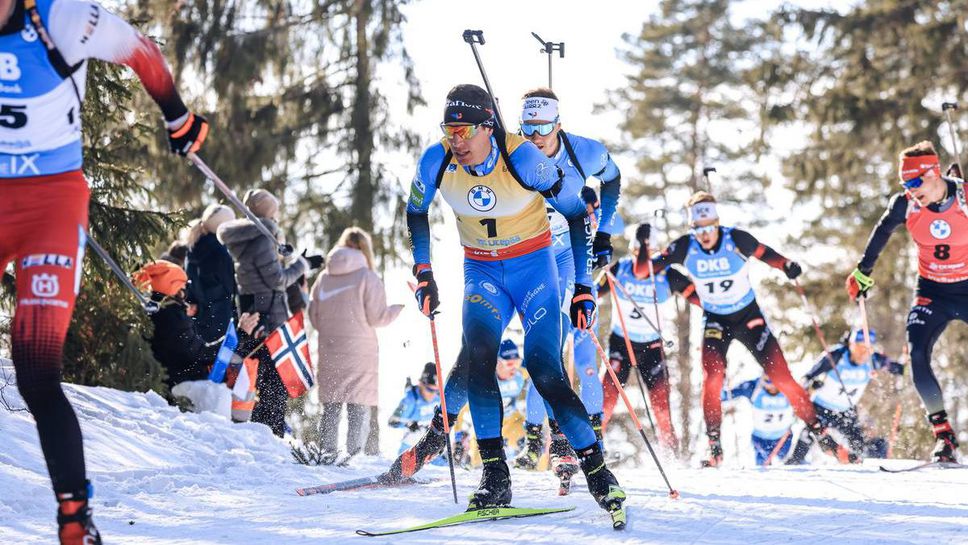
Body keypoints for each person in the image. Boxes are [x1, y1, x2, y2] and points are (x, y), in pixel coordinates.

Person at [0, 0, 209, 540]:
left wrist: (177, 115)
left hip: (51, 204)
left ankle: (75, 519)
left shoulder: (63, 19)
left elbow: (140, 51)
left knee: (36, 372)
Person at [402, 83, 624, 516]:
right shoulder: (437, 158)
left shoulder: (522, 157)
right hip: (482, 271)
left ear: (489, 126)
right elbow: (416, 210)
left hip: (534, 269)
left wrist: (582, 286)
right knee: (479, 358)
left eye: (465, 131)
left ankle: (599, 473)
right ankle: (494, 477)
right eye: (450, 130)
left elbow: (577, 213)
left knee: (543, 367)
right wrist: (423, 269)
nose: (457, 140)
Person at [645, 191, 830, 467]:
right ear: (691, 228)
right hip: (716, 319)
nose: (705, 235)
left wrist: (786, 266)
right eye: (698, 229)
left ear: (717, 223)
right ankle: (714, 446)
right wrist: (644, 266)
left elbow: (765, 253)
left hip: (748, 316)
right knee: (712, 379)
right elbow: (650, 267)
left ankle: (821, 434)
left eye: (709, 228)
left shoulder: (736, 239)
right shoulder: (685, 247)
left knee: (781, 378)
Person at [512, 88, 623, 479]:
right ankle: (536, 439)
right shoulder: (513, 153)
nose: (535, 136)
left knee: (582, 356)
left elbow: (614, 179)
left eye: (542, 127)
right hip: (531, 258)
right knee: (544, 349)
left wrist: (605, 232)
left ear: (558, 124)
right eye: (527, 127)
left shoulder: (584, 153)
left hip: (571, 258)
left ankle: (584, 436)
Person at [847, 141, 966, 463]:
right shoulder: (906, 205)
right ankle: (944, 437)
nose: (911, 191)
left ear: (934, 173)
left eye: (915, 183)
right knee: (917, 355)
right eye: (905, 184)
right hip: (932, 292)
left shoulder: (965, 197)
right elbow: (881, 232)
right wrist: (862, 271)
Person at [595, 223, 701, 455]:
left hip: (652, 347)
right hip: (621, 344)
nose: (642, 259)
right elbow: (592, 294)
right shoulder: (619, 269)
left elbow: (700, 298)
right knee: (606, 399)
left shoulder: (668, 275)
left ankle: (671, 454)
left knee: (661, 405)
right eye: (639, 252)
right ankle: (594, 447)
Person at [219, 189, 318, 436]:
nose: (277, 219)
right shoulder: (262, 237)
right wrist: (303, 265)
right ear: (266, 215)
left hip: (256, 311)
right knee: (274, 383)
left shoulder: (249, 238)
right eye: (274, 214)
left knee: (262, 379)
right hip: (269, 316)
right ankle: (269, 434)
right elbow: (277, 279)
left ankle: (264, 431)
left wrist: (282, 254)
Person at [309, 227, 402, 457]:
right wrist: (398, 309)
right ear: (365, 250)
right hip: (360, 352)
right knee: (358, 405)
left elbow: (313, 314)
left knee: (330, 405)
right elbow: (377, 317)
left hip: (329, 348)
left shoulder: (324, 278)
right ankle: (354, 456)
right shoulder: (367, 277)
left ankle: (326, 452)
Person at [135, 260, 262, 415]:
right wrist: (240, 334)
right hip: (178, 386)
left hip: (164, 382)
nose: (184, 293)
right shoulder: (171, 316)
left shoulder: (149, 310)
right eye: (181, 288)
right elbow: (202, 354)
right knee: (220, 395)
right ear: (171, 286)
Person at [786, 327, 903, 464]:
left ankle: (870, 467)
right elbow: (806, 378)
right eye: (859, 347)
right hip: (821, 409)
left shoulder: (874, 360)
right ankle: (793, 463)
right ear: (851, 345)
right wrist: (811, 385)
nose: (862, 353)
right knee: (807, 437)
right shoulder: (835, 356)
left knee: (860, 446)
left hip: (846, 412)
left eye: (867, 348)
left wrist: (905, 367)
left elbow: (899, 369)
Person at [185, 204, 237, 343]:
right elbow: (231, 284)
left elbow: (189, 283)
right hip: (220, 316)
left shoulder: (192, 248)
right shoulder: (220, 252)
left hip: (200, 317)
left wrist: (192, 300)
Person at [722, 375, 794, 466]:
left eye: (775, 382)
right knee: (762, 467)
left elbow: (805, 396)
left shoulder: (789, 387)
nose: (772, 386)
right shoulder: (754, 387)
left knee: (787, 465)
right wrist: (721, 383)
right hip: (761, 438)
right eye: (768, 381)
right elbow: (725, 395)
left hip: (783, 438)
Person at [389, 362, 441, 459]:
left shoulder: (439, 397)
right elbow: (392, 422)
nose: (432, 394)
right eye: (429, 390)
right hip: (410, 449)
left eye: (435, 390)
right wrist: (409, 424)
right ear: (421, 384)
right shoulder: (410, 399)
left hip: (431, 448)